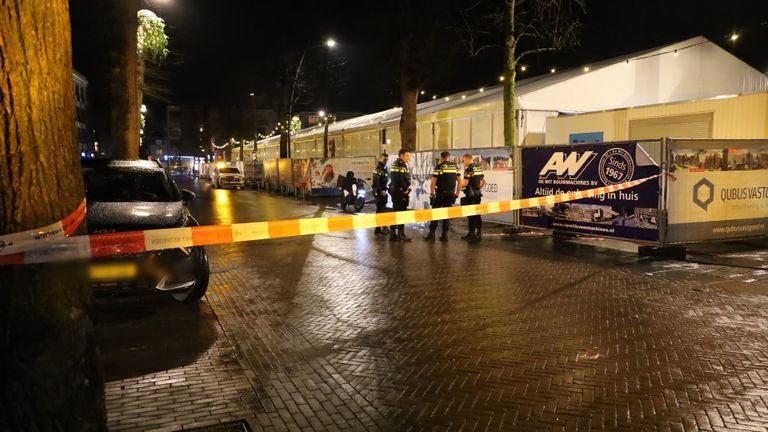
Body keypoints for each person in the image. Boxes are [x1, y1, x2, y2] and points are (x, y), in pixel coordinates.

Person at [425, 151, 461, 241]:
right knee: (446, 215)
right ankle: (445, 235)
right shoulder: (455, 167)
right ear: (449, 157)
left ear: (441, 158)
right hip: (450, 195)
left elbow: (433, 182)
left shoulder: (439, 167)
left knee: (435, 213)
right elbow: (460, 181)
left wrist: (432, 193)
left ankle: (432, 234)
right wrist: (457, 193)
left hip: (440, 194)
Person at [389, 148, 412, 242]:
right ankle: (401, 234)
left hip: (394, 190)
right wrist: (405, 189)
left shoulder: (395, 163)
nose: (408, 158)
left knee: (395, 211)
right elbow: (400, 178)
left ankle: (392, 233)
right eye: (407, 155)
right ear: (401, 155)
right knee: (401, 212)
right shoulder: (401, 164)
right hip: (400, 191)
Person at [461, 154, 486, 242]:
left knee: (471, 214)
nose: (463, 162)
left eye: (464, 160)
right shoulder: (478, 168)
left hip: (470, 195)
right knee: (477, 213)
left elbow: (465, 183)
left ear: (468, 159)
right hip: (478, 194)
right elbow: (483, 181)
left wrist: (459, 187)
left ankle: (471, 234)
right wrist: (478, 188)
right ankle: (478, 232)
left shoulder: (469, 169)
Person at [372, 153, 390, 236]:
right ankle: (379, 229)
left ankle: (379, 229)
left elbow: (383, 180)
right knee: (380, 210)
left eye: (387, 159)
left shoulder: (383, 168)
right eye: (384, 159)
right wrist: (381, 191)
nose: (385, 161)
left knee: (382, 210)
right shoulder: (379, 168)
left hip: (383, 191)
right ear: (380, 158)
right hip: (380, 192)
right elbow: (376, 182)